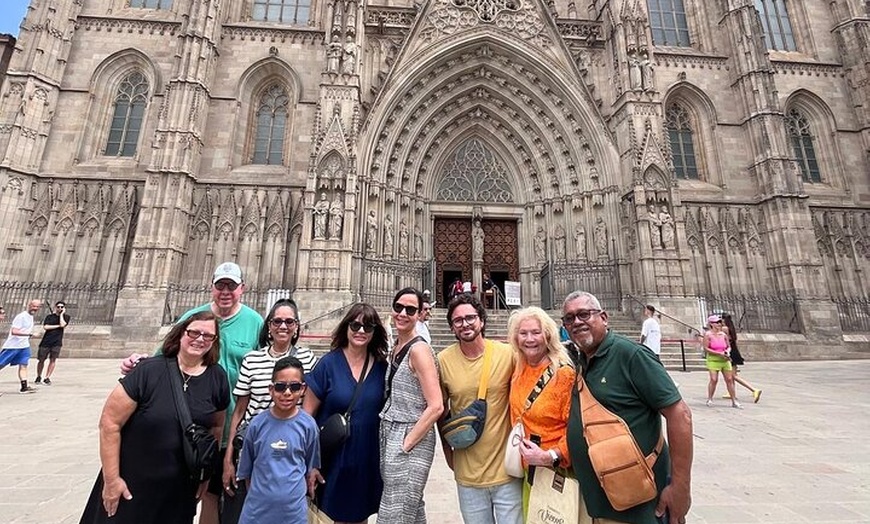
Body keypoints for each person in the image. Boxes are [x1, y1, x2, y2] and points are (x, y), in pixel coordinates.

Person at [120, 261, 263, 524]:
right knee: (179, 492)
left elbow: (268, 362)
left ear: (242, 288)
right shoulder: (193, 318)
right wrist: (137, 362)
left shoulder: (255, 322)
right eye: (221, 285)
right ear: (212, 287)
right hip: (187, 423)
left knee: (214, 493)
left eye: (231, 286)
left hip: (226, 427)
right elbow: (163, 356)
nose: (226, 291)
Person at [80, 312, 230, 524]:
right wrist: (112, 480)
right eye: (193, 332)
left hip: (179, 491)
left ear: (214, 342)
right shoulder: (148, 370)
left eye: (208, 336)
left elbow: (216, 427)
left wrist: (205, 473)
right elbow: (109, 423)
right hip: (133, 485)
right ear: (180, 334)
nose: (200, 339)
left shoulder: (217, 377)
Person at [562, 291, 693, 524]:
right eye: (570, 318)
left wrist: (680, 487)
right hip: (602, 505)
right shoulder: (582, 361)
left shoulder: (631, 355)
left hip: (639, 506)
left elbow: (680, 415)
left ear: (603, 317)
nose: (577, 322)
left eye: (584, 314)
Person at [221, 298, 317, 522]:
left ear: (296, 327)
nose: (283, 326)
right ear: (269, 326)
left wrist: (312, 466)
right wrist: (228, 459)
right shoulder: (252, 360)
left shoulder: (307, 359)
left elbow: (310, 408)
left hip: (292, 449)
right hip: (254, 447)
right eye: (277, 321)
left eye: (289, 322)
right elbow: (239, 411)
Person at [437, 294, 522, 524]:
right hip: (468, 476)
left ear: (481, 321)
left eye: (470, 317)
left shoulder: (507, 354)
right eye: (458, 320)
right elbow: (440, 412)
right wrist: (449, 457)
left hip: (507, 473)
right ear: (452, 327)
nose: (465, 323)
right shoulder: (443, 361)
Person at [304, 303, 389, 523]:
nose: (361, 331)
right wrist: (310, 463)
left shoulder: (382, 368)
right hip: (332, 461)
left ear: (375, 332)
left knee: (360, 517)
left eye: (368, 327)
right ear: (346, 327)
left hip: (366, 459)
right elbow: (306, 417)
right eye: (355, 325)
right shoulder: (328, 364)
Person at [379, 288, 444, 523]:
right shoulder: (396, 347)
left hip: (409, 438)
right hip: (393, 433)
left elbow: (436, 405)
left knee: (393, 514)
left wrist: (405, 445)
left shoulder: (420, 350)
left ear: (420, 314)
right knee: (410, 508)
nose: (403, 313)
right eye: (399, 307)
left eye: (410, 309)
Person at [506, 306, 575, 518]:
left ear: (548, 335)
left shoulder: (563, 375)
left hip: (556, 471)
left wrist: (550, 456)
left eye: (536, 332)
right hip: (530, 471)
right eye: (523, 333)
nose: (530, 339)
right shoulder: (519, 368)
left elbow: (577, 430)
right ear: (515, 338)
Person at [235, 356, 320, 524]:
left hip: (293, 515)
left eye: (294, 387)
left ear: (303, 389)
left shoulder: (309, 426)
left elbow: (311, 466)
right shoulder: (256, 425)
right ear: (271, 389)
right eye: (281, 387)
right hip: (256, 514)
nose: (287, 393)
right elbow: (247, 473)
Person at [0, 299, 42, 393]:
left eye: (37, 307)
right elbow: (14, 331)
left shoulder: (30, 317)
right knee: (1, 364)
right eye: (33, 306)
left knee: (23, 365)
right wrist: (30, 334)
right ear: (29, 305)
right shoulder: (21, 316)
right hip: (13, 346)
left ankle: (24, 387)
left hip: (24, 346)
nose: (34, 308)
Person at [721, 313, 762, 403]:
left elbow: (722, 339)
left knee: (733, 376)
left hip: (730, 351)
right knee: (732, 375)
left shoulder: (724, 329)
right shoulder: (731, 328)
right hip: (734, 350)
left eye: (721, 320)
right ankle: (731, 392)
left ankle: (754, 389)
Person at [703, 315, 741, 409]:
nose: (719, 324)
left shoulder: (723, 334)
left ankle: (734, 401)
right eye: (716, 322)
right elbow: (706, 348)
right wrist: (717, 353)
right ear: (711, 324)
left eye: (719, 322)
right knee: (714, 379)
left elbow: (728, 345)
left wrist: (727, 351)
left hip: (724, 359)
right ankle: (710, 398)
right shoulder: (708, 335)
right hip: (713, 359)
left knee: (729, 379)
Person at [35, 301, 70, 385]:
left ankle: (47, 377)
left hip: (57, 342)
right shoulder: (49, 317)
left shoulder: (66, 317)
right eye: (58, 307)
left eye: (62, 307)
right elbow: (46, 327)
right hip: (46, 341)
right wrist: (57, 326)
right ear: (55, 307)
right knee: (41, 360)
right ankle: (38, 376)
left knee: (53, 360)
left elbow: (63, 324)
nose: (60, 308)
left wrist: (61, 315)